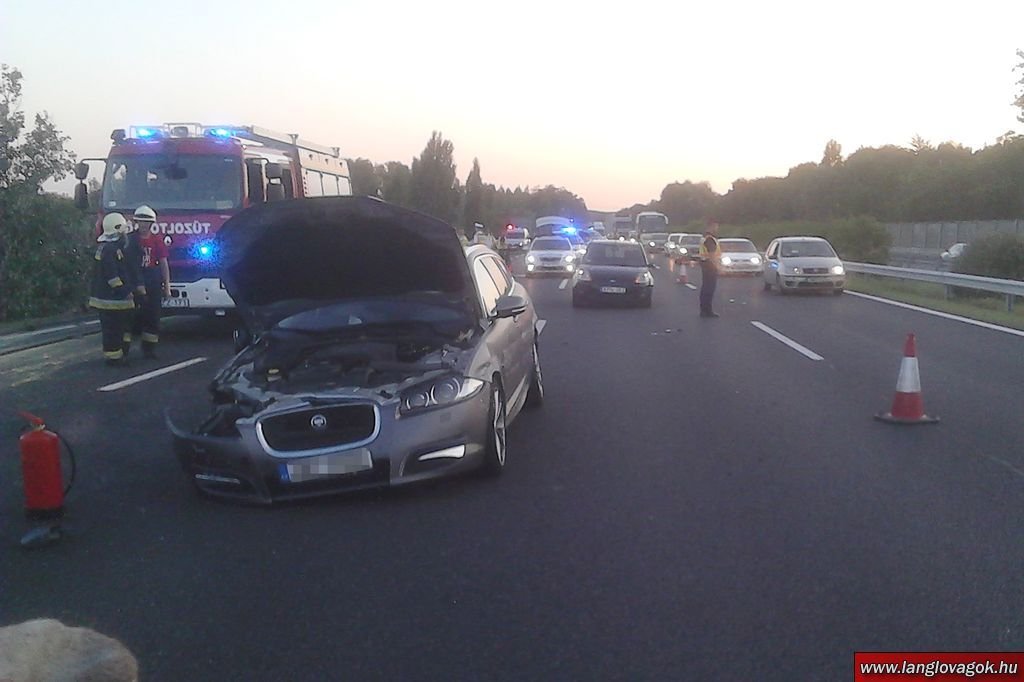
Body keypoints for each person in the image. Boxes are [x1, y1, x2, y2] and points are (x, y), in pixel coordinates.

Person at [89, 213, 135, 365]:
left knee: (120, 327)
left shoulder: (106, 248)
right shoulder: (111, 250)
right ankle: (114, 358)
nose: (125, 235)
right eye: (123, 231)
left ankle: (120, 353)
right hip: (112, 299)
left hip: (108, 298)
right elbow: (112, 276)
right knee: (113, 330)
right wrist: (124, 291)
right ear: (117, 231)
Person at [128, 205, 171, 358]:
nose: (143, 225)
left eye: (146, 222)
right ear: (136, 222)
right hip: (135, 278)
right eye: (141, 222)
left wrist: (167, 286)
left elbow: (164, 263)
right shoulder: (130, 239)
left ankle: (149, 349)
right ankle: (125, 350)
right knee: (133, 316)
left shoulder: (156, 240)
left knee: (153, 316)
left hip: (152, 278)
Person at [698, 220, 722, 318]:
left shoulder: (705, 238)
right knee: (709, 289)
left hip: (705, 265)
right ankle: (707, 311)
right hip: (709, 266)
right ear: (711, 227)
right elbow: (712, 256)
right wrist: (717, 267)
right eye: (716, 227)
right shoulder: (710, 240)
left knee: (706, 288)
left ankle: (704, 310)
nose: (717, 229)